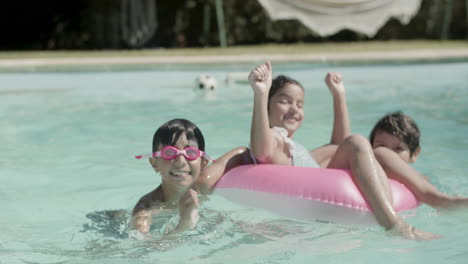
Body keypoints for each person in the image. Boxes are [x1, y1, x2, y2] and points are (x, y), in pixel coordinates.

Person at [248, 61, 440, 240]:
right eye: (285, 101)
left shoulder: (296, 150)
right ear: (267, 106)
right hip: (314, 204)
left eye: (300, 104)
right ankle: (394, 225)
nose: (294, 109)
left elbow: (339, 145)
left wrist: (338, 95)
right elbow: (262, 150)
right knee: (357, 142)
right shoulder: (275, 138)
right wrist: (260, 94)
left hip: (319, 206)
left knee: (350, 145)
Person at [131, 118, 252, 236]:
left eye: (191, 153)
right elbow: (144, 248)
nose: (181, 161)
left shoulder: (203, 182)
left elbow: (242, 152)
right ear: (154, 163)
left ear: (203, 163)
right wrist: (185, 224)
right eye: (169, 153)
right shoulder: (145, 208)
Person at [369, 111, 468, 209]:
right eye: (381, 145)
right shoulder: (376, 154)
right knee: (380, 153)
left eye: (398, 149)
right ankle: (440, 200)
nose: (389, 153)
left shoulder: (422, 180)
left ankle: (440, 199)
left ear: (415, 154)